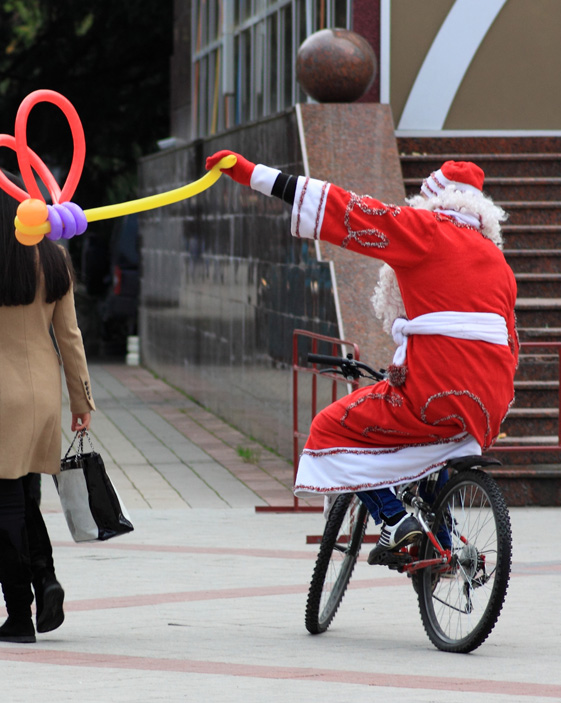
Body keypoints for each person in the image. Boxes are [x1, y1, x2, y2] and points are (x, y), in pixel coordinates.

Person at [206, 151, 518, 564]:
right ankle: (446, 538)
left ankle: (393, 519)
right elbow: (511, 343)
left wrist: (253, 175)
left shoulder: (425, 230)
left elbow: (346, 210)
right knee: (442, 437)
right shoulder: (497, 261)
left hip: (433, 391)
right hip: (488, 403)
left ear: (433, 201)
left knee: (331, 429)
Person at [0, 175, 95, 643]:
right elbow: (70, 336)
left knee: (2, 502)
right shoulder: (53, 255)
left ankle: (18, 616)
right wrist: (82, 400)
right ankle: (46, 579)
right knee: (26, 495)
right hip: (44, 389)